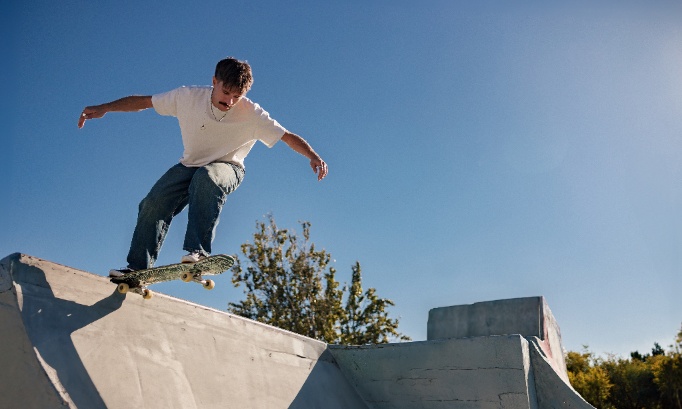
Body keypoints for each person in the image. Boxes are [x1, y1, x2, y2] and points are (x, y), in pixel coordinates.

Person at [78, 57, 328, 276]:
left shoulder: (253, 114)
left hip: (229, 168)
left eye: (236, 96)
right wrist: (105, 108)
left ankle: (198, 253)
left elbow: (286, 136)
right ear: (214, 81)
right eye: (226, 92)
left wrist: (313, 156)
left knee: (207, 178)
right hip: (189, 165)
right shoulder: (187, 97)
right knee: (153, 202)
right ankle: (137, 269)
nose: (229, 101)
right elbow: (144, 101)